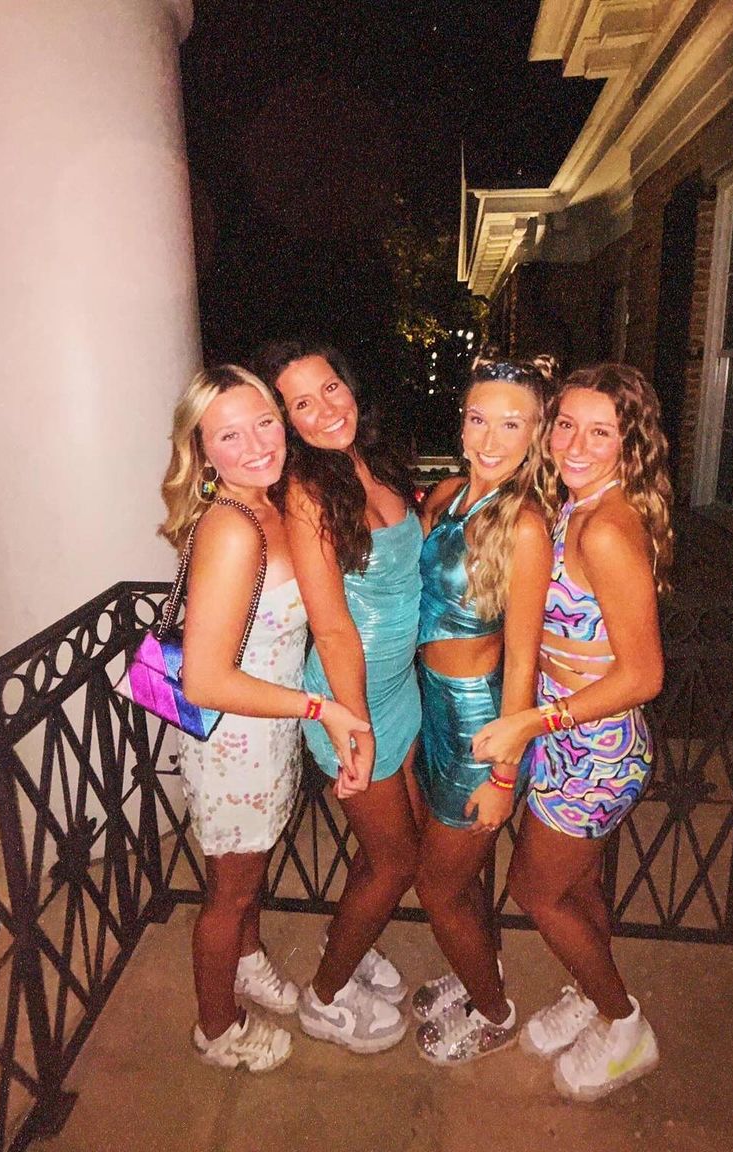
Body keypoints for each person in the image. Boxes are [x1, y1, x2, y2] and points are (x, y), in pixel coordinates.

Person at [472, 362, 672, 1101]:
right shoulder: (576, 505)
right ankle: (591, 991)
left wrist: (532, 720)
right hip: (567, 736)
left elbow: (643, 674)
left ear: (630, 444)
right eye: (566, 426)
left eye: (601, 432)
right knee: (578, 883)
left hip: (596, 747)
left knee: (535, 890)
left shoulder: (609, 528)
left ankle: (624, 1023)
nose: (576, 445)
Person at [162, 365, 369, 1073]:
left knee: (248, 872)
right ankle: (217, 1028)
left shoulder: (267, 503)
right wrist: (320, 707)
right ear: (201, 450)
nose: (256, 445)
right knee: (230, 892)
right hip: (234, 743)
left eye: (265, 423)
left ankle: (247, 962)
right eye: (229, 435)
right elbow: (204, 678)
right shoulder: (231, 527)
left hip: (266, 732)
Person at [254, 340, 422, 1053]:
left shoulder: (376, 462)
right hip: (352, 701)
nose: (324, 410)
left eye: (330, 388)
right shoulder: (308, 491)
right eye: (301, 403)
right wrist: (354, 727)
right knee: (397, 861)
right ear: (287, 421)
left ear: (350, 384)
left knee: (387, 850)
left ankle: (346, 938)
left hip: (400, 688)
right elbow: (331, 626)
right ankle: (324, 996)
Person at [410, 358, 554, 1065]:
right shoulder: (446, 495)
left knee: (436, 888)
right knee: (457, 875)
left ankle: (494, 1013)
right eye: (478, 419)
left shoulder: (525, 526)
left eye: (511, 424)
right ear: (461, 424)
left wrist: (503, 775)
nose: (491, 440)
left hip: (480, 727)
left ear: (535, 435)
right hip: (430, 707)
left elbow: (522, 660)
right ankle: (478, 970)